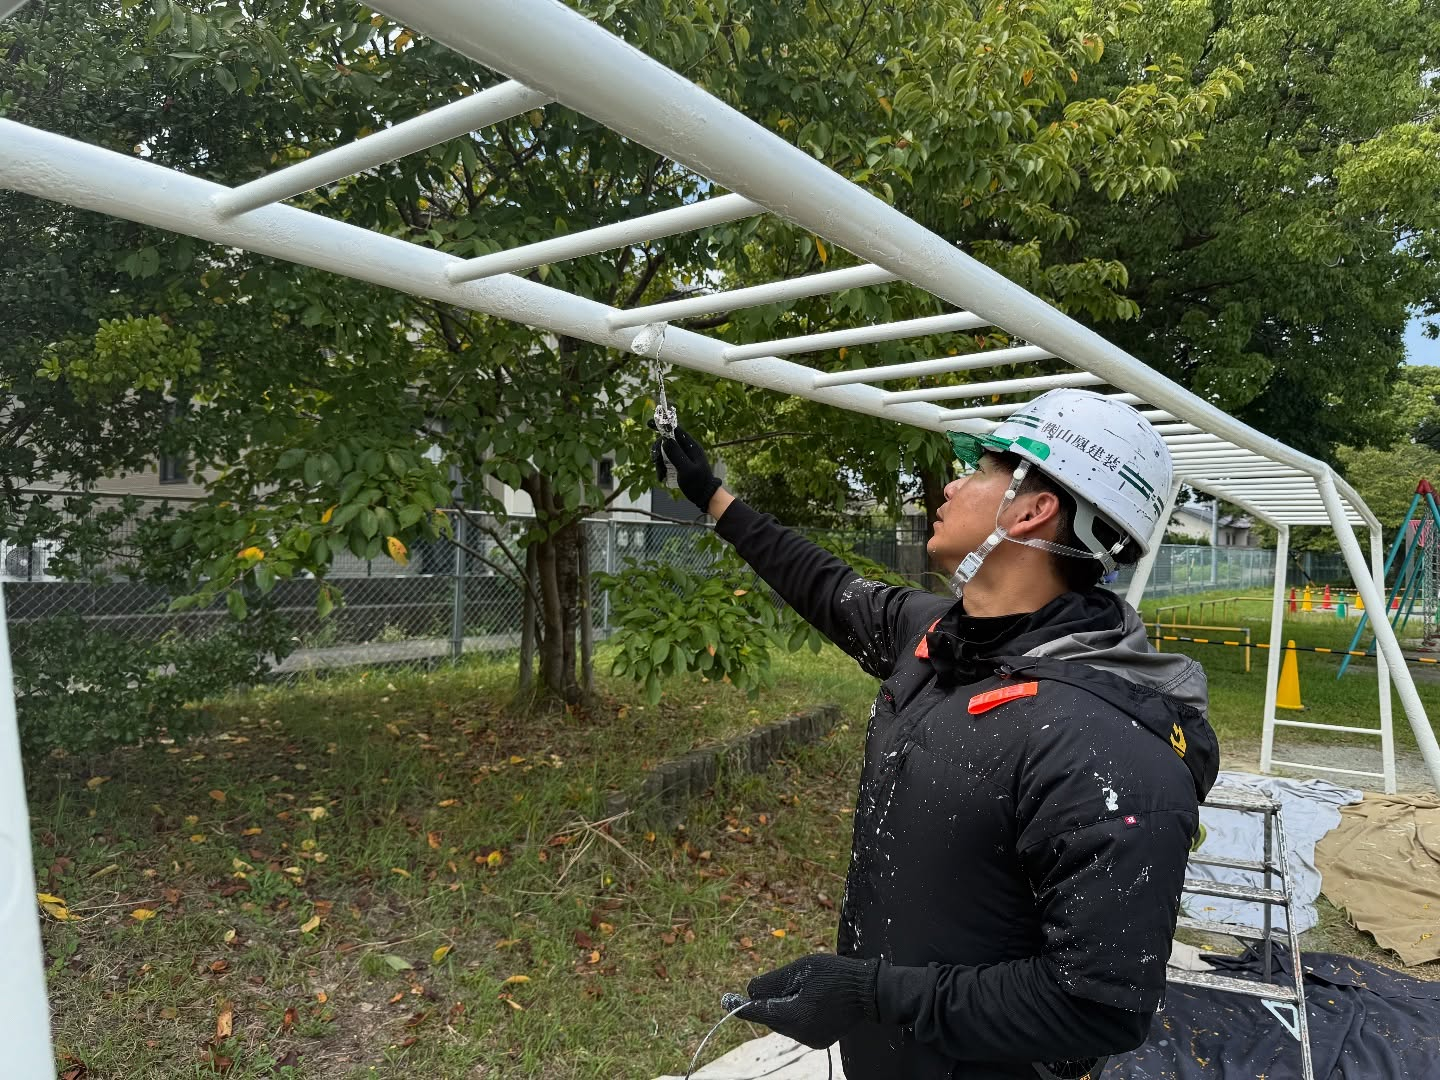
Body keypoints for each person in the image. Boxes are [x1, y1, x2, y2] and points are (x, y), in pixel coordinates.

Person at [652, 389, 1219, 1079]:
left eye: (980, 470)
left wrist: (871, 993)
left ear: (1034, 509)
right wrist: (712, 497)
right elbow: (824, 584)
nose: (952, 484)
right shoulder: (941, 639)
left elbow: (1096, 1007)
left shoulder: (1106, 744)